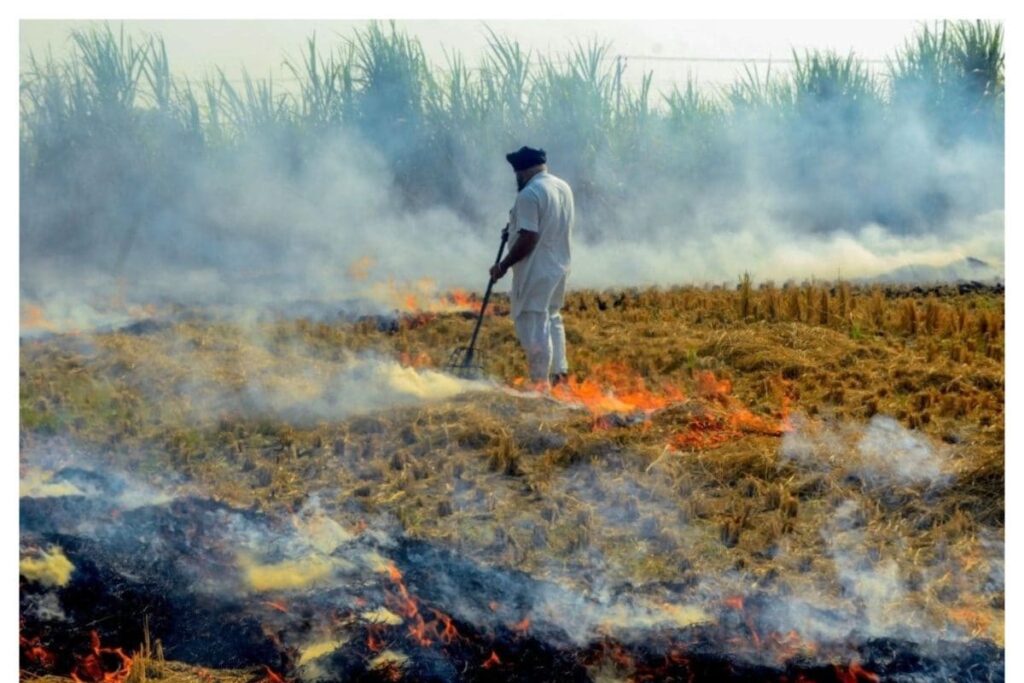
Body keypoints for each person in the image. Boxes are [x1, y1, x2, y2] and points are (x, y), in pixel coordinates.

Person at [489, 146, 574, 388]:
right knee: (552, 317)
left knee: (534, 323)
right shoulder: (562, 187)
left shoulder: (529, 193)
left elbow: (529, 236)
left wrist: (503, 265)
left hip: (536, 270)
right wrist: (513, 229)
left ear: (522, 171)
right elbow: (541, 224)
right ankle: (560, 373)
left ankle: (540, 386)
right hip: (559, 266)